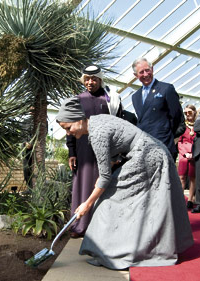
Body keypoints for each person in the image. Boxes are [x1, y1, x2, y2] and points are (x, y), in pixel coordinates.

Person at [56, 97, 193, 269]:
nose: (68, 133)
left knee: (110, 198)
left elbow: (105, 177)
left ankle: (116, 251)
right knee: (127, 198)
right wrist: (102, 180)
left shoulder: (97, 134)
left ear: (78, 119)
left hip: (146, 155)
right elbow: (111, 163)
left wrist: (86, 204)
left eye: (68, 128)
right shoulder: (97, 120)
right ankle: (131, 247)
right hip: (155, 151)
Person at [66, 65, 123, 238]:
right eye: (87, 79)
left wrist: (117, 153)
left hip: (105, 150)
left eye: (94, 79)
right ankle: (79, 225)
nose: (90, 82)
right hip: (83, 150)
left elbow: (119, 125)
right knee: (83, 185)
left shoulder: (110, 99)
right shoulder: (77, 99)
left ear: (100, 79)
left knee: (103, 184)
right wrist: (71, 152)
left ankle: (102, 227)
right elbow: (70, 127)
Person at [131, 57, 184, 158]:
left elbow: (177, 118)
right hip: (145, 148)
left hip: (164, 145)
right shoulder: (135, 97)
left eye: (147, 70)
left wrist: (167, 135)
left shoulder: (166, 89)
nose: (146, 74)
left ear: (152, 69)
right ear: (135, 75)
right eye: (141, 72)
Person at [178, 104, 197, 208]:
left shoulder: (198, 125)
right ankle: (180, 198)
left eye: (189, 112)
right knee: (182, 177)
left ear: (194, 112)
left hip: (194, 154)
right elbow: (179, 142)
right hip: (183, 155)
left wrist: (193, 153)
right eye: (185, 113)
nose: (187, 115)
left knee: (193, 177)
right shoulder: (183, 126)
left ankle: (190, 199)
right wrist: (184, 153)